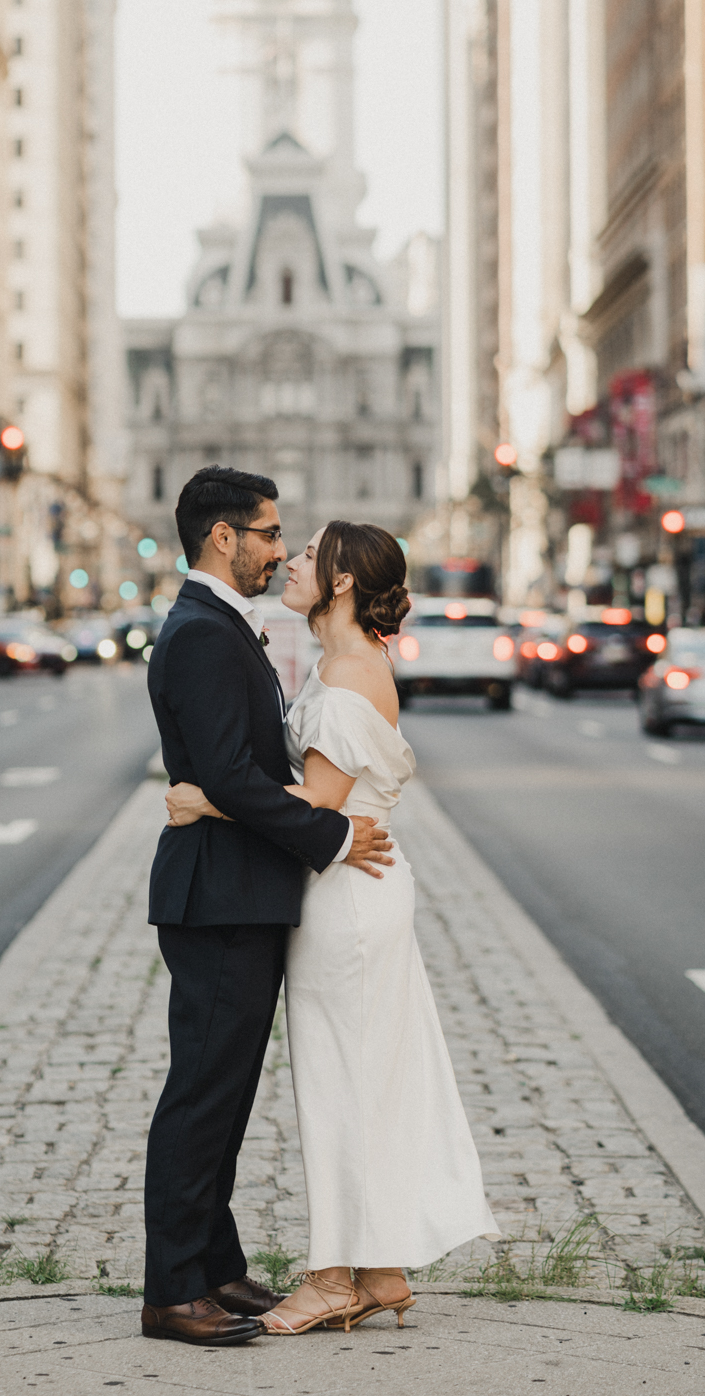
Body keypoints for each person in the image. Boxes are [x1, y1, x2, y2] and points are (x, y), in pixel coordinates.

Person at [166, 521, 500, 1335]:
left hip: (347, 895)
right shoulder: (343, 662)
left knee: (338, 1082)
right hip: (349, 886)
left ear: (344, 582)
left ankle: (330, 1279)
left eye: (309, 554)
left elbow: (314, 805)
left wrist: (201, 799)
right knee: (361, 1075)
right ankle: (378, 1268)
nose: (290, 560)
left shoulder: (351, 671)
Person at [141, 470, 395, 1347]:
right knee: (201, 1096)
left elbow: (228, 778)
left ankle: (214, 1267)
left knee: (226, 1094)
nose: (280, 548)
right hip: (218, 895)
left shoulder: (221, 626)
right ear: (223, 537)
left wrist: (215, 798)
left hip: (235, 887)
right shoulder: (206, 632)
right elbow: (232, 776)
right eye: (268, 532)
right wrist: (328, 837)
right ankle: (173, 1290)